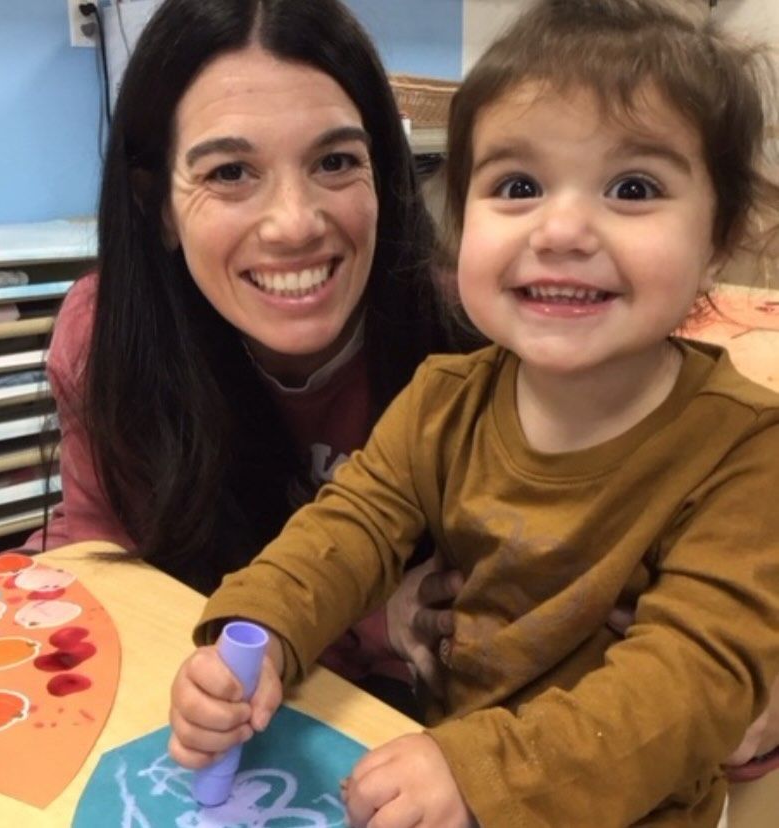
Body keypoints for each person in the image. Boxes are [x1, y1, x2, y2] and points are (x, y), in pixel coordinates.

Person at [168, 1, 779, 825]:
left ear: (720, 234)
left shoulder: (745, 451)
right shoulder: (444, 398)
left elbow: (689, 687)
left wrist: (481, 774)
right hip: (439, 772)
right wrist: (260, 627)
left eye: (632, 188)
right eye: (517, 186)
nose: (560, 229)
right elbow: (342, 531)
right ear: (461, 218)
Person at [24, 0, 470, 713]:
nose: (294, 223)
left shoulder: (471, 341)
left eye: (335, 161)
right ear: (158, 206)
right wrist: (372, 622)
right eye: (231, 172)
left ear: (384, 177)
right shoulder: (107, 336)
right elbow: (123, 595)